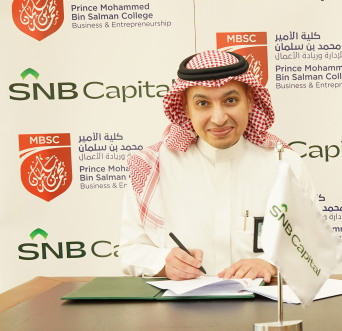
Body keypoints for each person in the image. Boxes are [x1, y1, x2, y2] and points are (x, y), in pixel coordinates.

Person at [119, 50, 313, 281]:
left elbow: (311, 246)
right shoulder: (152, 167)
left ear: (250, 101)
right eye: (203, 103)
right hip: (183, 302)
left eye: (230, 101)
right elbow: (130, 251)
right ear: (186, 108)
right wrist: (163, 262)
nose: (219, 118)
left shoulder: (285, 163)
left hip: (262, 301)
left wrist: (270, 263)